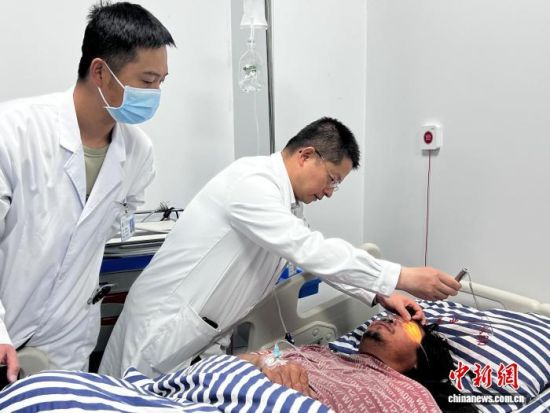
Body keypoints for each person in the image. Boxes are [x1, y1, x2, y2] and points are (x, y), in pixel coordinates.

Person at [99, 117, 461, 378]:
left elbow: (313, 258)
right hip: (161, 327)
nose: (330, 192)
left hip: (196, 333)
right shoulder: (252, 183)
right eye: (332, 179)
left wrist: (379, 294)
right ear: (306, 155)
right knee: (121, 401)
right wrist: (401, 276)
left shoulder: (284, 203)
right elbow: (307, 248)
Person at [0, 1, 175, 382]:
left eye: (162, 81)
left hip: (67, 340)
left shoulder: (138, 152)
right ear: (100, 72)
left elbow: (112, 225)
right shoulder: (13, 132)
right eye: (147, 81)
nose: (156, 93)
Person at [240, 316, 475, 412]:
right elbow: (240, 360)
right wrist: (265, 363)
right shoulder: (318, 352)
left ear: (419, 361)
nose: (391, 319)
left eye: (409, 328)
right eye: (391, 316)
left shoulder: (412, 397)